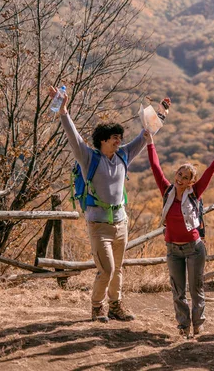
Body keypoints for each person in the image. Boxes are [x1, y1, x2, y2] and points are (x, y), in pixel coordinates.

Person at [52, 86, 148, 323]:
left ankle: (116, 306)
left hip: (120, 223)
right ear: (103, 140)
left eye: (120, 137)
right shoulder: (89, 158)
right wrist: (63, 111)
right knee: (107, 270)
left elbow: (145, 136)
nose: (119, 140)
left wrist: (162, 114)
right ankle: (97, 307)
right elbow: (74, 139)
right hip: (98, 225)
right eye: (114, 137)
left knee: (118, 269)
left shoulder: (124, 156)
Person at [145, 130, 214, 338]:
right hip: (173, 249)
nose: (181, 178)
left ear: (191, 182)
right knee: (178, 290)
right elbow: (155, 167)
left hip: (194, 248)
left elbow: (211, 170)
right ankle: (183, 326)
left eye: (186, 177)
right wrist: (151, 143)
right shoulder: (167, 191)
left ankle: (198, 325)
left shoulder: (195, 193)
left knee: (196, 289)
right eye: (179, 174)